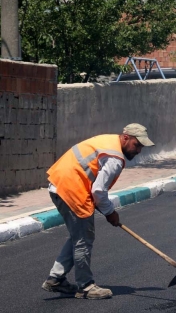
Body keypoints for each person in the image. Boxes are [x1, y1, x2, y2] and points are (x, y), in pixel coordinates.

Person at [41, 124, 154, 299]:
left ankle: (56, 278)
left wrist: (105, 209)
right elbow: (99, 191)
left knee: (78, 236)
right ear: (125, 138)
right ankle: (85, 287)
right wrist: (110, 213)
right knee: (84, 239)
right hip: (72, 188)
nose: (139, 150)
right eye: (136, 144)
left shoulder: (109, 141)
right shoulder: (115, 158)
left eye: (141, 147)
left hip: (60, 183)